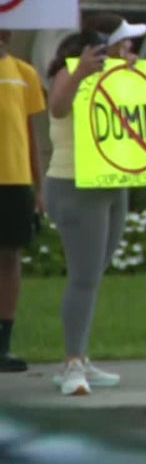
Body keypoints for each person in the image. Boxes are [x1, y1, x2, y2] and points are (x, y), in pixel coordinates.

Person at [43, 14, 144, 395]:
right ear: (103, 46)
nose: (130, 50)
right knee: (84, 277)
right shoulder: (67, 73)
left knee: (93, 274)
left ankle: (79, 357)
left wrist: (130, 76)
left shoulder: (115, 78)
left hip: (112, 183)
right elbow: (57, 106)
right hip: (74, 184)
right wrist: (84, 71)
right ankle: (72, 364)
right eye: (125, 44)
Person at [0, 29, 46, 374]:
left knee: (9, 258)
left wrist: (39, 188)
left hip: (15, 179)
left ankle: (3, 342)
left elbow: (29, 136)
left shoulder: (23, 73)